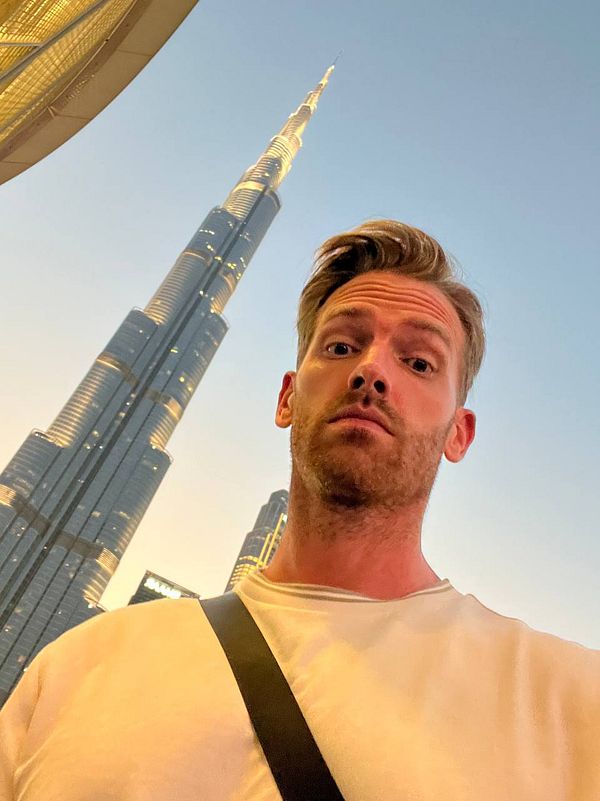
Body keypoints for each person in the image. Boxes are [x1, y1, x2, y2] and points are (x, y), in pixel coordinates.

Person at [0, 220, 598, 800]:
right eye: (341, 345)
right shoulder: (79, 667)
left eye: (418, 362)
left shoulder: (569, 704)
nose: (370, 371)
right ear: (287, 396)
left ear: (459, 433)